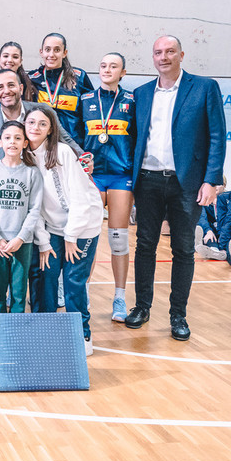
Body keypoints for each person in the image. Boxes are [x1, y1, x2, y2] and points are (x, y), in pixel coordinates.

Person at [124, 35, 226, 341]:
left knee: (183, 249)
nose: (164, 57)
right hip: (148, 179)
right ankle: (142, 307)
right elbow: (133, 137)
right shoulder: (141, 93)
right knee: (145, 246)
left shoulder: (205, 87)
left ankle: (178, 315)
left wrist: (211, 180)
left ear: (182, 55)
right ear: (152, 57)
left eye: (170, 51)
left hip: (187, 183)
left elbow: (217, 136)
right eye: (158, 52)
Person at [0, 68, 85, 306]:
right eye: (0, 87)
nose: (6, 91)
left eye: (11, 85)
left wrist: (83, 156)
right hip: (4, 203)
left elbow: (64, 138)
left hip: (37, 194)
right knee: (1, 260)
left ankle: (36, 308)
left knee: (33, 262)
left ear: (21, 88)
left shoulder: (39, 113)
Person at [27, 106, 104, 356]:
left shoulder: (62, 152)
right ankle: (45, 331)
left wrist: (72, 236)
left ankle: (82, 335)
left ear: (51, 130)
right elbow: (33, 208)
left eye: (42, 124)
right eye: (31, 122)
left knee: (73, 281)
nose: (35, 128)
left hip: (83, 226)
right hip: (52, 228)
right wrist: (44, 241)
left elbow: (81, 198)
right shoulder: (25, 157)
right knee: (46, 277)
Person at [79, 52, 135, 322]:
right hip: (93, 176)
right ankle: (83, 292)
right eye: (103, 65)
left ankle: (120, 297)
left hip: (120, 175)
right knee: (88, 237)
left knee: (118, 239)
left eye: (113, 66)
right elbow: (77, 136)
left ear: (123, 73)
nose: (107, 70)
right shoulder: (85, 100)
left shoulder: (132, 101)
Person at [0, 120, 43, 313]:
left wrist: (21, 237)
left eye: (17, 138)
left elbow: (34, 209)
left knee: (18, 293)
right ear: (0, 142)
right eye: (7, 138)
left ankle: (17, 327)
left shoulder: (32, 173)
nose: (12, 142)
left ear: (25, 143)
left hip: (21, 241)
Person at [28, 33, 93, 145]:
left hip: (72, 144)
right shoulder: (32, 78)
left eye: (57, 50)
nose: (51, 54)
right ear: (41, 52)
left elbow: (90, 112)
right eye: (47, 50)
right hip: (42, 143)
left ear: (64, 53)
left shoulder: (79, 77)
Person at [195, 170, 231, 260]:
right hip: (218, 230)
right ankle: (211, 249)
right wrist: (208, 231)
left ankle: (221, 252)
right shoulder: (219, 198)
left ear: (224, 185)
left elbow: (230, 222)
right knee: (209, 233)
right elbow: (203, 218)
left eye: (218, 184)